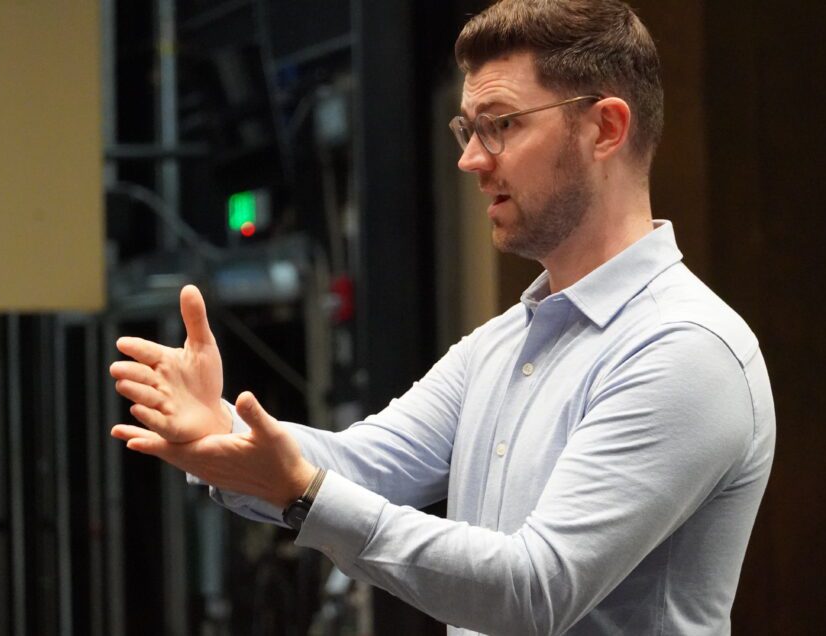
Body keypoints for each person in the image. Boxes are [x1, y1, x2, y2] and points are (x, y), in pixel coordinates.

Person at [109, 0, 775, 633]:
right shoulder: (503, 344)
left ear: (605, 127)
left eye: (503, 124)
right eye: (468, 128)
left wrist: (304, 492)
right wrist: (218, 432)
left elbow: (535, 591)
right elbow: (358, 466)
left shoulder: (686, 349)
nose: (471, 159)